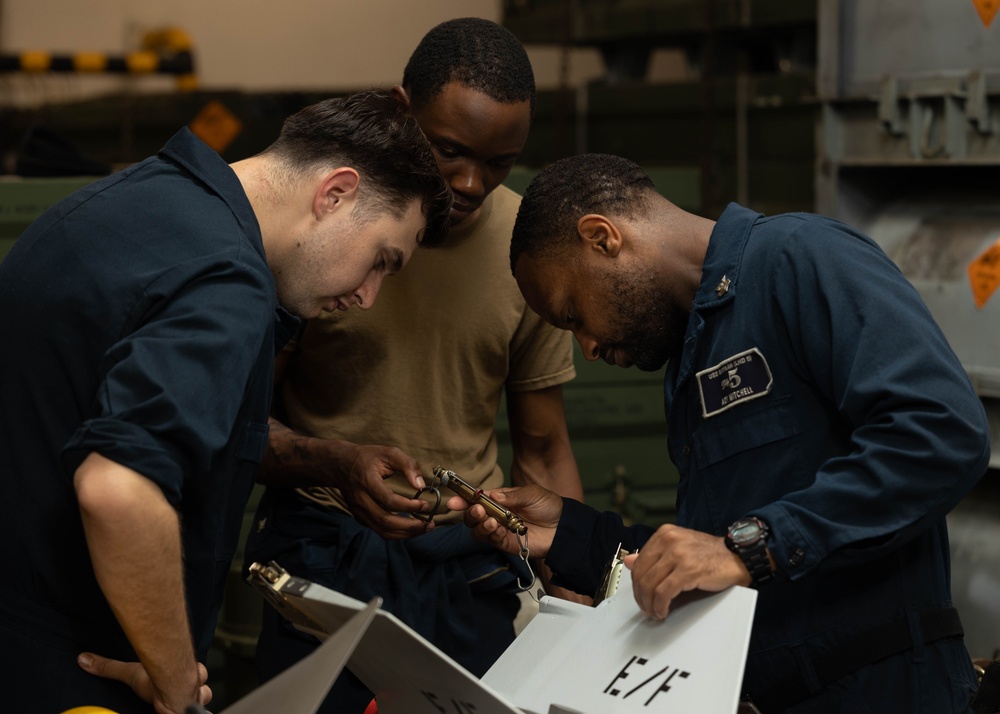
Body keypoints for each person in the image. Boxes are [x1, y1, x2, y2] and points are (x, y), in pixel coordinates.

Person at [454, 153, 990, 713]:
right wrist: (573, 536)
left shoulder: (800, 258)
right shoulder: (690, 360)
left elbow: (942, 432)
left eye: (573, 315)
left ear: (603, 238)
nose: (586, 348)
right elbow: (706, 556)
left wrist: (753, 546)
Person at [0, 90, 451, 714]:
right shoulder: (228, 280)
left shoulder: (137, 199)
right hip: (72, 665)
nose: (368, 296)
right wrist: (175, 676)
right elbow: (117, 489)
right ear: (336, 193)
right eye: (381, 260)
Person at [243, 17, 584, 714]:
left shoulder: (526, 251)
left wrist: (575, 582)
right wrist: (333, 463)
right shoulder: (320, 229)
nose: (470, 182)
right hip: (323, 555)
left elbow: (544, 448)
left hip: (470, 570)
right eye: (451, 150)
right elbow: (238, 425)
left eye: (498, 162)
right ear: (401, 108)